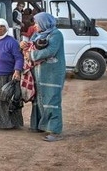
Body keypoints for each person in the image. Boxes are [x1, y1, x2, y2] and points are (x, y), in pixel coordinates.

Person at [21, 12, 66, 142]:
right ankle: (38, 125)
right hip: (38, 74)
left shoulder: (56, 34)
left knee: (51, 100)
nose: (35, 26)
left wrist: (32, 56)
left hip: (52, 74)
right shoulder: (37, 35)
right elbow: (30, 46)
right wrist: (24, 46)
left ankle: (54, 131)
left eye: (37, 23)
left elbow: (50, 51)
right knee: (39, 100)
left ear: (44, 23)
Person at [0, 18, 24, 129]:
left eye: (2, 26)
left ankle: (9, 123)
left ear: (6, 28)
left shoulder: (12, 42)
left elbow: (19, 58)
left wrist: (17, 70)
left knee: (4, 101)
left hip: (5, 76)